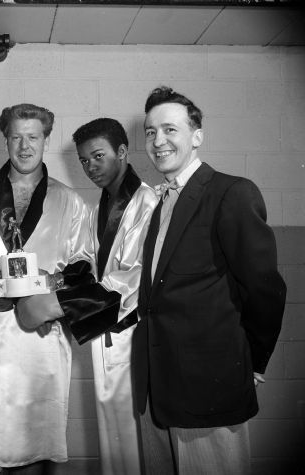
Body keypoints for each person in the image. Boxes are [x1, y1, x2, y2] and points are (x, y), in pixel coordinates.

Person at [133, 86, 286, 474]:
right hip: (156, 391)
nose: (158, 141)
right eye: (150, 132)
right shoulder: (160, 204)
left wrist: (249, 361)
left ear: (197, 136)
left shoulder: (230, 193)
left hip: (209, 385)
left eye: (170, 129)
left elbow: (265, 289)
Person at [0, 103, 92, 475]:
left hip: (40, 335)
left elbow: (83, 267)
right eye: (16, 137)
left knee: (35, 443)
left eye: (33, 137)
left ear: (46, 140)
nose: (24, 146)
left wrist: (51, 284)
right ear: (5, 140)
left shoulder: (69, 201)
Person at [17, 118, 159, 474]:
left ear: (123, 152)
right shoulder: (101, 207)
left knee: (134, 445)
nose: (90, 166)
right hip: (105, 336)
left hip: (131, 336)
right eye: (83, 160)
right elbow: (91, 270)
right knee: (114, 444)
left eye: (98, 156)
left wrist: (57, 305)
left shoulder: (147, 203)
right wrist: (55, 281)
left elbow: (135, 278)